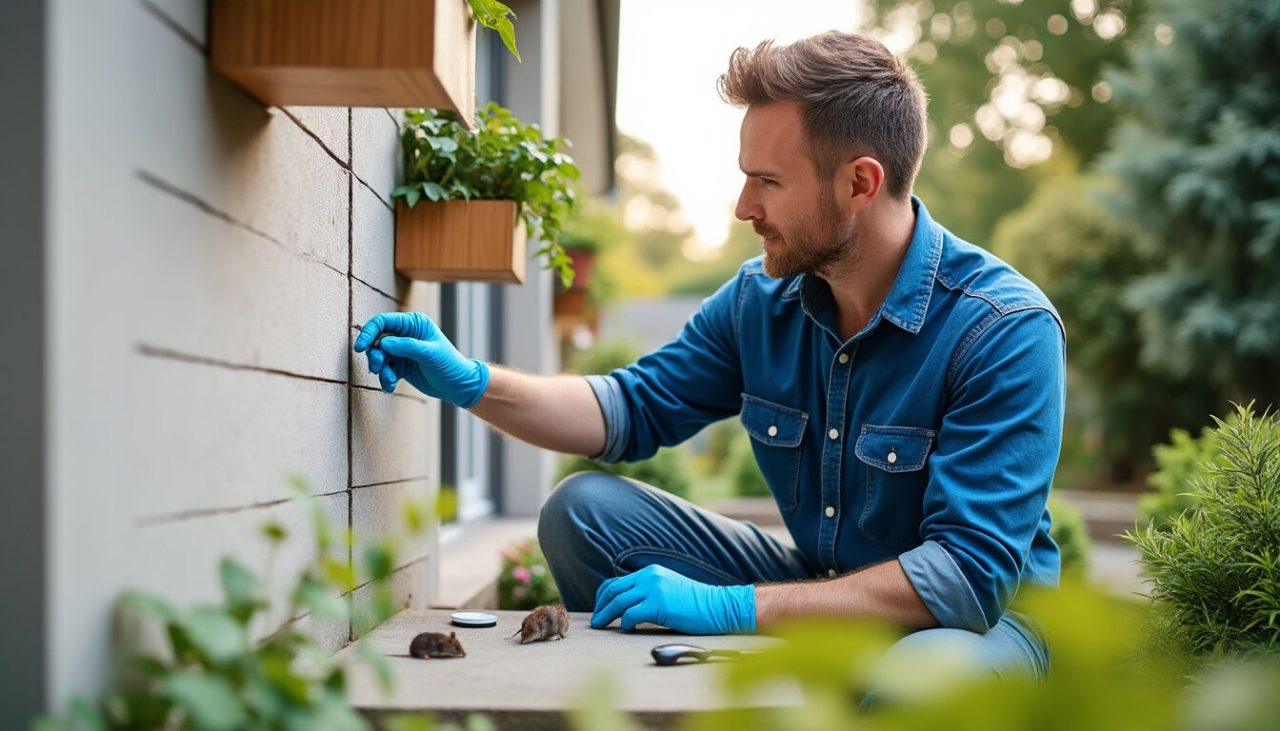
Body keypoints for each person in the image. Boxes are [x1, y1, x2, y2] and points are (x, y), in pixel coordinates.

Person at [354, 31, 1063, 691]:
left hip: (976, 627)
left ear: (859, 183)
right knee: (584, 512)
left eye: (768, 182)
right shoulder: (761, 301)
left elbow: (965, 579)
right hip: (825, 581)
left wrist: (732, 607)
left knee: (924, 680)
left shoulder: (1002, 329)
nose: (743, 206)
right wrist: (472, 382)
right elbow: (630, 407)